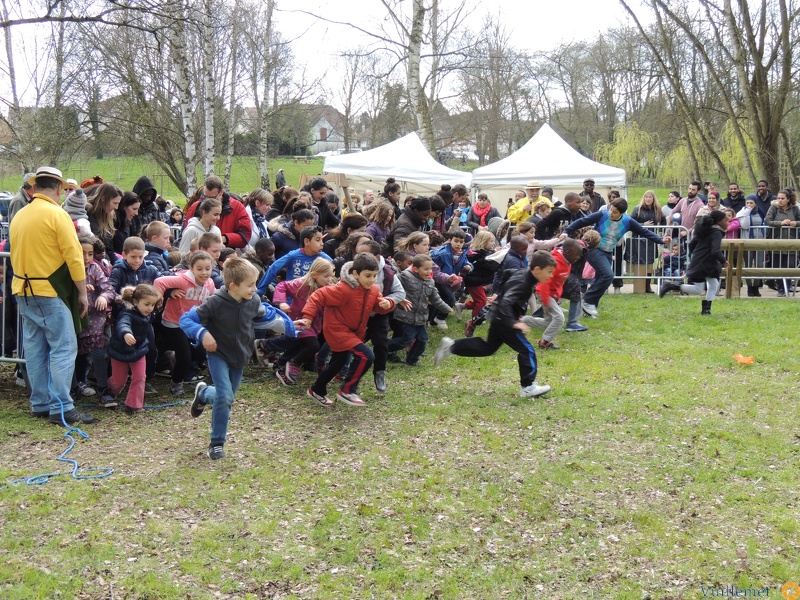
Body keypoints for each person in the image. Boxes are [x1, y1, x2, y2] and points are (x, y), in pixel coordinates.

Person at [9, 166, 94, 425]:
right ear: (58, 188)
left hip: (22, 289)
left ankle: (40, 403)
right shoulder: (57, 215)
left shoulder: (20, 215)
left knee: (35, 348)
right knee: (64, 347)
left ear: (35, 186)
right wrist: (82, 292)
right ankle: (62, 407)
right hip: (48, 291)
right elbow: (74, 257)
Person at [434, 250, 557, 398]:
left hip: (499, 316)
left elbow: (506, 273)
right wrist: (513, 322)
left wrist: (498, 293)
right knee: (527, 350)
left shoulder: (522, 273)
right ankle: (528, 387)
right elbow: (506, 302)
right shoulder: (524, 283)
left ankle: (452, 346)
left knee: (488, 348)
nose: (551, 275)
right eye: (549, 272)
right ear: (537, 269)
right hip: (505, 319)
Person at [180, 258, 263, 459]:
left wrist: (288, 324)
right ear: (233, 286)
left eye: (255, 284)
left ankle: (204, 394)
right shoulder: (215, 302)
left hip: (240, 355)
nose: (255, 289)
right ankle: (217, 443)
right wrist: (202, 334)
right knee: (225, 397)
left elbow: (264, 315)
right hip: (218, 354)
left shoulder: (254, 301)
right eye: (250, 285)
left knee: (226, 397)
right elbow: (185, 320)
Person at [299, 253, 396, 407]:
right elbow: (318, 295)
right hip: (336, 330)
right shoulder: (342, 289)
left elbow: (378, 305)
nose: (371, 280)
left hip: (353, 332)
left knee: (339, 361)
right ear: (355, 274)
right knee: (366, 356)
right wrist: (308, 316)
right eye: (368, 275)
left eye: (374, 276)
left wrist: (388, 303)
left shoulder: (373, 289)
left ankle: (317, 389)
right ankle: (348, 389)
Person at [563, 198, 670, 318]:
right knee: (608, 275)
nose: (611, 213)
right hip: (594, 249)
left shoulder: (628, 221)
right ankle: (587, 300)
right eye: (611, 210)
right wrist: (566, 231)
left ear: (622, 213)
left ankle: (588, 311)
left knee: (601, 279)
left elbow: (644, 232)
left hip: (608, 252)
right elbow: (582, 221)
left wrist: (660, 240)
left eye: (615, 212)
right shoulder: (602, 215)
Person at [256, 258, 333, 386]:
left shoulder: (327, 287)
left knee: (298, 343)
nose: (329, 279)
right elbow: (282, 286)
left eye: (331, 276)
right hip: (300, 320)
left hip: (315, 323)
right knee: (312, 345)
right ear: (314, 275)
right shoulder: (302, 285)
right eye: (326, 276)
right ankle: (293, 363)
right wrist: (282, 302)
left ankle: (278, 360)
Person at [154, 251, 216, 395]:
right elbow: (159, 282)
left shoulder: (210, 283)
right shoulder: (182, 280)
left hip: (192, 324)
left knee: (201, 353)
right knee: (185, 357)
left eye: (207, 268)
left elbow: (212, 299)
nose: (204, 272)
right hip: (173, 322)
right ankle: (176, 383)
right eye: (199, 269)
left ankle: (174, 356)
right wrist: (161, 297)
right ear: (191, 268)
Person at [659, 210, 730, 314]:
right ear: (719, 222)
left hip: (700, 262)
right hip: (706, 264)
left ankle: (706, 309)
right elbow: (715, 251)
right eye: (726, 220)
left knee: (713, 284)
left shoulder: (704, 230)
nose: (728, 223)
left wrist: (697, 255)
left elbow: (692, 245)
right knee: (698, 289)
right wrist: (724, 261)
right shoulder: (717, 233)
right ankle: (672, 285)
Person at [388, 254, 452, 366]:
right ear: (416, 269)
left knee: (422, 340)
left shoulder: (430, 282)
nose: (429, 271)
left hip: (421, 318)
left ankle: (412, 359)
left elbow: (435, 299)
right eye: (426, 269)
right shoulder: (405, 277)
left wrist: (446, 308)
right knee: (406, 339)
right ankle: (381, 347)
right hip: (405, 316)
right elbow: (394, 287)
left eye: (430, 268)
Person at [73, 233, 115, 404]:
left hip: (95, 320)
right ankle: (76, 386)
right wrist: (79, 289)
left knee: (98, 353)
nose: (86, 258)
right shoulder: (69, 269)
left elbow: (108, 288)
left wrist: (103, 296)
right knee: (76, 355)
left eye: (90, 254)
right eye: (82, 253)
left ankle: (102, 389)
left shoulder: (96, 269)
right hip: (76, 319)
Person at [105, 284, 160, 413]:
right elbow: (123, 324)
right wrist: (126, 333)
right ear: (135, 302)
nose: (150, 308)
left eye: (152, 305)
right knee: (118, 381)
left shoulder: (148, 315)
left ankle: (133, 405)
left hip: (138, 350)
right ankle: (109, 390)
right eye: (147, 304)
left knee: (140, 377)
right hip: (120, 351)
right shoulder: (126, 313)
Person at [521, 239, 585, 350]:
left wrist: (558, 295)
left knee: (548, 322)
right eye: (577, 254)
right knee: (559, 318)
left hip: (552, 295)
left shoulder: (568, 262)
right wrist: (546, 300)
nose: (579, 257)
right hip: (545, 293)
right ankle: (544, 341)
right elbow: (545, 282)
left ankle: (523, 320)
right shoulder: (554, 262)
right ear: (568, 252)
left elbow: (561, 281)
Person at [257, 226, 331, 295]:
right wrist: (261, 290)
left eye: (322, 240)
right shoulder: (293, 255)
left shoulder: (324, 258)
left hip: (314, 301)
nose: (322, 243)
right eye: (318, 240)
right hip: (291, 302)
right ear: (307, 242)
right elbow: (274, 268)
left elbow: (335, 269)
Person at [184, 176, 252, 250]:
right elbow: (185, 233)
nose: (208, 200)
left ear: (221, 192)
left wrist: (224, 238)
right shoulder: (196, 206)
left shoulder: (237, 207)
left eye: (212, 198)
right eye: (205, 197)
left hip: (225, 254)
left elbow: (245, 236)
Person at [626, 190, 666, 294]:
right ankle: (639, 285)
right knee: (639, 263)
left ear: (653, 199)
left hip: (651, 240)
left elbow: (663, 221)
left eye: (650, 197)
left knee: (649, 263)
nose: (648, 199)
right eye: (646, 197)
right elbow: (630, 222)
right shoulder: (637, 209)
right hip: (638, 240)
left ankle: (648, 286)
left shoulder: (657, 210)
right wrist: (643, 224)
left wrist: (661, 232)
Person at [457, 230, 500, 322]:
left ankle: (461, 306)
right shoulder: (478, 256)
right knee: (481, 301)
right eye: (491, 241)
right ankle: (475, 320)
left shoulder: (486, 253)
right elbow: (491, 266)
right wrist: (499, 260)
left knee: (479, 300)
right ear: (483, 242)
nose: (493, 243)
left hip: (480, 280)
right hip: (474, 281)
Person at [764, 188, 800, 296]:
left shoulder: (795, 209)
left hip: (791, 242)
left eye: (782, 198)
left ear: (788, 199)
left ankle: (787, 286)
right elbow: (767, 220)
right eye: (778, 198)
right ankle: (780, 288)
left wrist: (795, 223)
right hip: (776, 241)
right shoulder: (773, 208)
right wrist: (780, 223)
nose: (780, 200)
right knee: (777, 266)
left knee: (790, 265)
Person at [736, 197, 766, 296]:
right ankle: (749, 287)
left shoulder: (760, 211)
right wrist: (747, 212)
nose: (749, 204)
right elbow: (745, 225)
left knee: (759, 265)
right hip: (748, 241)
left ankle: (756, 287)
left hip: (759, 241)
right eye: (747, 203)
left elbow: (764, 222)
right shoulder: (742, 212)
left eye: (751, 203)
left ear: (756, 203)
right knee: (748, 264)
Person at [86, 183, 123, 260]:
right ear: (103, 199)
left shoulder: (108, 215)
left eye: (118, 204)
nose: (116, 207)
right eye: (115, 203)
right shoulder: (88, 215)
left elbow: (109, 249)